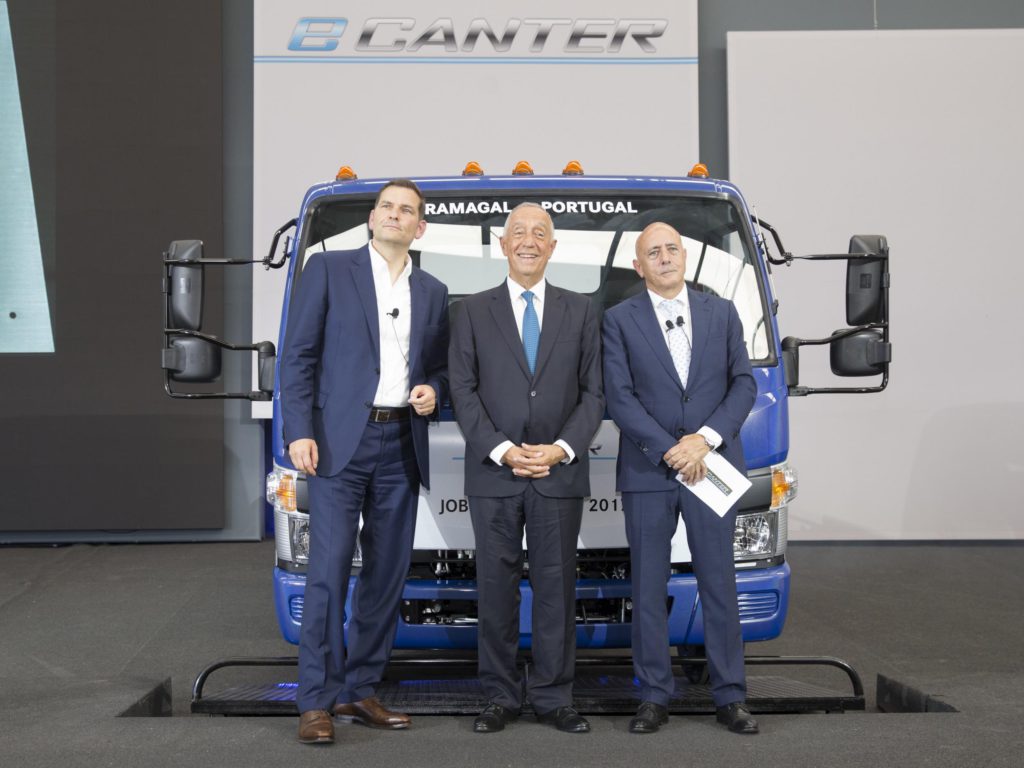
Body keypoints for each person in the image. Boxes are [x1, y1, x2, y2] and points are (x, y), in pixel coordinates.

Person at [280, 179, 449, 745]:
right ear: (373, 218)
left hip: (402, 442)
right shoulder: (329, 270)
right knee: (327, 574)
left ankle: (360, 688)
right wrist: (299, 431)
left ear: (420, 227)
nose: (395, 215)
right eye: (386, 207)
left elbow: (440, 367)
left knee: (386, 575)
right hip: (337, 444)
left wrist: (433, 389)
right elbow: (298, 356)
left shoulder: (433, 290)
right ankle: (315, 700)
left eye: (407, 210)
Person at [449, 203, 603, 734]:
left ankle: (554, 696)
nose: (529, 241)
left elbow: (594, 393)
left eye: (540, 233)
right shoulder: (471, 311)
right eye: (519, 232)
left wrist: (561, 448)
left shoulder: (581, 310)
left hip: (558, 472)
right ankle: (499, 696)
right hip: (495, 472)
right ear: (503, 245)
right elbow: (462, 389)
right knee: (496, 587)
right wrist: (501, 449)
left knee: (557, 588)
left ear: (553, 247)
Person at [601, 222, 759, 735]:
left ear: (685, 256)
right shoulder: (618, 320)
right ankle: (653, 696)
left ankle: (730, 697)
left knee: (719, 582)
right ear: (638, 266)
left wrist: (704, 440)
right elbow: (619, 396)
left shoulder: (722, 312)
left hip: (713, 465)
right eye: (654, 252)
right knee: (648, 585)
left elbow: (743, 384)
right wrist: (672, 450)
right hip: (650, 469)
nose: (665, 257)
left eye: (672, 249)